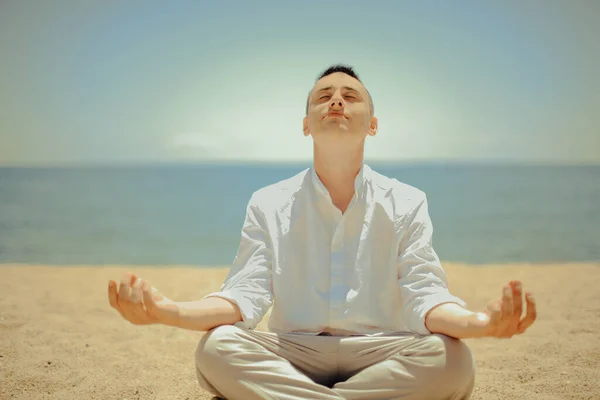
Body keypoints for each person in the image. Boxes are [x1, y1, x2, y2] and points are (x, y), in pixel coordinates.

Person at [108, 64, 537, 400]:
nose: (336, 102)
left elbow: (425, 296)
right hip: (295, 351)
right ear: (306, 124)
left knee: (454, 360)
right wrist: (169, 312)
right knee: (217, 348)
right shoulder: (268, 201)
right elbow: (245, 296)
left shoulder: (407, 200)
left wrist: (482, 323)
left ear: (372, 124)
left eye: (350, 96)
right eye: (323, 97)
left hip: (383, 349)